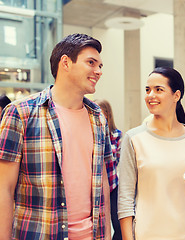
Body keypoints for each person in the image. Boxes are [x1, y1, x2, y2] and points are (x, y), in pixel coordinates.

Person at [0, 33, 112, 239]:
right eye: (91, 63)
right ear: (66, 63)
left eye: (100, 66)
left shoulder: (98, 117)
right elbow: (3, 188)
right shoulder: (20, 113)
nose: (98, 71)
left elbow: (103, 182)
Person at [118, 66, 185, 240]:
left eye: (158, 89)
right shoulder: (134, 138)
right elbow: (125, 201)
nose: (150, 95)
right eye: (148, 90)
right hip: (147, 235)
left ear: (177, 95)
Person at [95, 99, 123, 240]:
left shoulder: (117, 134)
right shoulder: (91, 133)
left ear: (107, 114)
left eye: (101, 112)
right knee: (100, 226)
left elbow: (116, 159)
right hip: (96, 188)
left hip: (112, 185)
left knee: (118, 226)